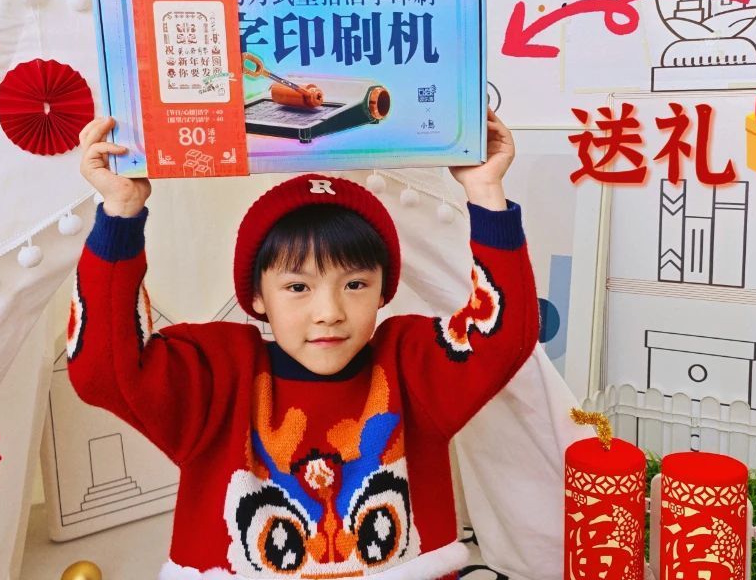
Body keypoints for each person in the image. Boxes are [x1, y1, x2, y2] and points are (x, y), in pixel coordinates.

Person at [69, 111, 537, 579]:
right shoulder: (220, 376)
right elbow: (104, 369)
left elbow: (503, 340)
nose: (328, 311)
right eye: (297, 287)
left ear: (383, 291)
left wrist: (485, 192)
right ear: (257, 296)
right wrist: (121, 213)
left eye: (355, 284)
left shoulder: (409, 368)